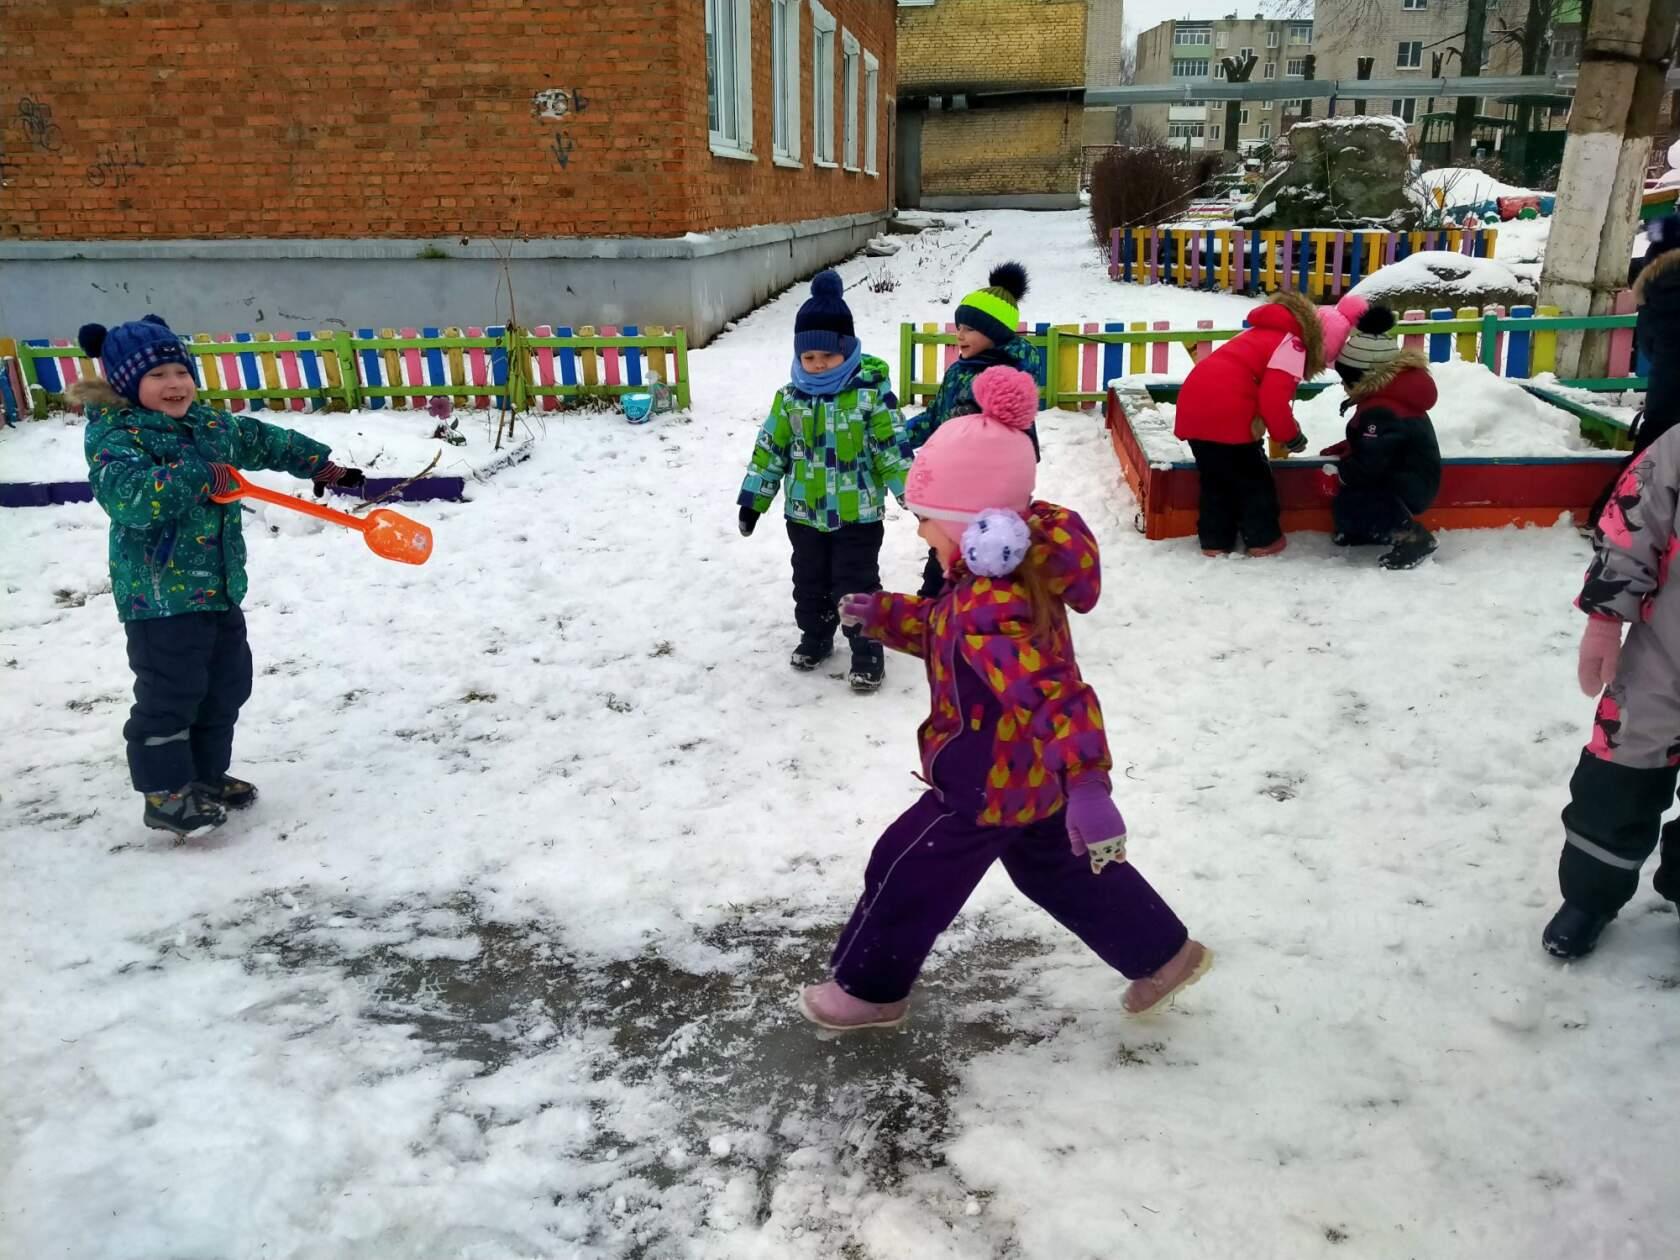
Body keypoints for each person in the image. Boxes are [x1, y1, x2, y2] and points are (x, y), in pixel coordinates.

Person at [800, 365, 1210, 1031]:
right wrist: (883, 615)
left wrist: (1090, 783)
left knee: (908, 870)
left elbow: (1054, 694)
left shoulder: (992, 605)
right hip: (1027, 779)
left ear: (970, 525)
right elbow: (943, 630)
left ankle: (870, 990)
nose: (919, 530)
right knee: (1061, 871)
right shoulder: (992, 584)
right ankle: (1162, 954)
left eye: (926, 517)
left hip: (984, 790)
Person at [70, 315, 364, 838]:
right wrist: (198, 475)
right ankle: (164, 793)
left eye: (179, 371)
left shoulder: (208, 426)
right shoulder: (116, 436)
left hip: (218, 586)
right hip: (159, 598)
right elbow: (130, 499)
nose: (174, 384)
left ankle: (203, 777)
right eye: (157, 375)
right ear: (125, 383)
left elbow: (260, 440)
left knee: (225, 686)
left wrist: (319, 465)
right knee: (171, 693)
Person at [737, 271, 914, 693]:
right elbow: (770, 452)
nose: (818, 365)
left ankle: (868, 649)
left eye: (828, 357)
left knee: (855, 584)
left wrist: (915, 495)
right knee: (810, 583)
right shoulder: (790, 399)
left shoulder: (871, 397)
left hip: (858, 516)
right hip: (804, 515)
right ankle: (816, 635)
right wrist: (753, 502)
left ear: (848, 350)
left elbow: (893, 452)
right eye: (809, 357)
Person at [1544, 425, 1680, 957]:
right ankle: (1590, 896)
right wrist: (1604, 618)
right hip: (1666, 655)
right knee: (1619, 776)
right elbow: (1633, 519)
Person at [1174, 292, 1365, 557]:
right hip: (1228, 412)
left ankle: (1214, 540)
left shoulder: (1261, 333)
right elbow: (1273, 401)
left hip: (1194, 405)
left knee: (1215, 479)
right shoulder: (1293, 346)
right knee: (1254, 481)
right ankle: (1262, 538)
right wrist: (1290, 435)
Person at [905, 262, 1042, 597]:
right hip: (953, 484)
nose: (959, 335)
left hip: (988, 491)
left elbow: (1011, 439)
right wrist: (899, 435)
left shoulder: (1004, 377)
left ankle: (980, 608)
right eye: (959, 326)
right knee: (944, 550)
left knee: (985, 554)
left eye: (968, 328)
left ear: (994, 332)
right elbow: (938, 418)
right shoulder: (959, 371)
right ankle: (936, 603)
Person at [1320, 304, 1443, 570]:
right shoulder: (1388, 398)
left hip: (1410, 485)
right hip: (1407, 475)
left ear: (1363, 378)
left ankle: (1414, 538)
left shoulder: (1383, 410)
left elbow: (1370, 463)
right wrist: (1347, 448)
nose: (1343, 385)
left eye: (1346, 379)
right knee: (1354, 486)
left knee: (1358, 489)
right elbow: (1380, 444)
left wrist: (1341, 471)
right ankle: (1358, 531)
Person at [1588, 213, 1680, 528]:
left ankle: (1606, 519)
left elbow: (1650, 347)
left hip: (1666, 394)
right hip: (1670, 395)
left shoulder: (1654, 288)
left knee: (1646, 463)